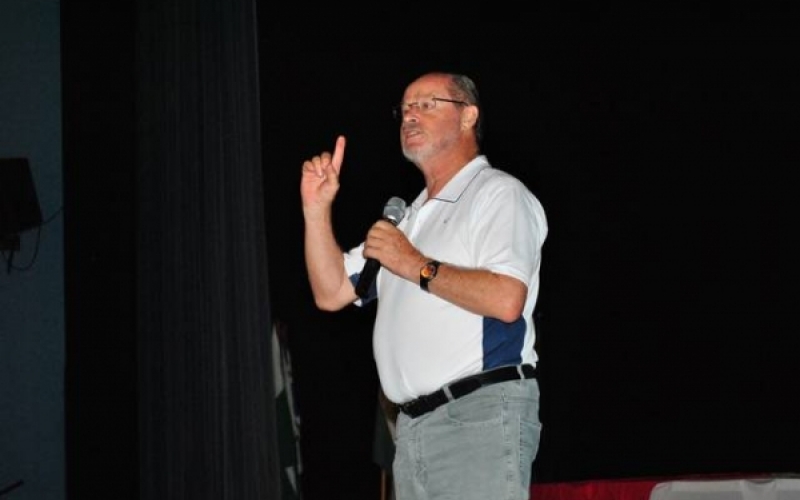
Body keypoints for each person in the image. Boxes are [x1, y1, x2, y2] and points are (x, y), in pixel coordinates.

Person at [300, 71, 548, 500]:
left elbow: (507, 299)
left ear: (468, 116)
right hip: (412, 428)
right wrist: (316, 210)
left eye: (427, 104)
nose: (410, 115)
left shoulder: (497, 194)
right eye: (405, 108)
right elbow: (332, 290)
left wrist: (413, 263)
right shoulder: (409, 218)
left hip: (478, 414)